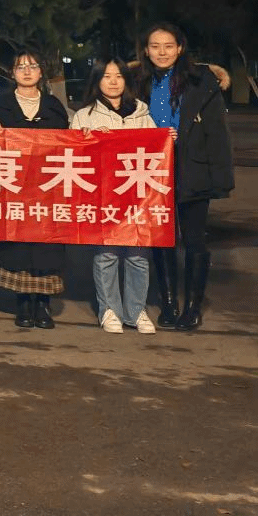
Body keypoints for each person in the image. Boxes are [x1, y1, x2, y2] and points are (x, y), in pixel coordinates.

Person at [136, 23, 234, 331]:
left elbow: (217, 131)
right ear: (146, 50)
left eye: (169, 46)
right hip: (151, 168)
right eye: (155, 46)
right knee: (161, 236)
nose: (162, 52)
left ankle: (192, 307)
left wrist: (219, 176)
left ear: (180, 48)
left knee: (194, 239)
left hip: (192, 165)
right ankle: (168, 304)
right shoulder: (138, 82)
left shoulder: (200, 79)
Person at [70, 58, 158, 334]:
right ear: (97, 81)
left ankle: (136, 310)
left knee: (138, 254)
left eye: (118, 76)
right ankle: (108, 309)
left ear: (126, 80)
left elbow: (156, 150)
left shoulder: (142, 113)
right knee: (106, 254)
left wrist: (168, 139)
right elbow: (71, 155)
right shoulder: (84, 115)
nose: (113, 81)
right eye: (106, 76)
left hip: (137, 196)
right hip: (103, 195)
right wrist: (86, 139)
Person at [0, 50, 70, 330]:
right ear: (12, 73)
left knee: (47, 244)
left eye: (32, 66)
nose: (26, 70)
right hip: (15, 189)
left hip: (48, 189)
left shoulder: (53, 106)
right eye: (20, 66)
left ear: (40, 72)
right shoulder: (1, 106)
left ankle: (43, 304)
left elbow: (68, 142)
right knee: (18, 243)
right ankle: (22, 303)